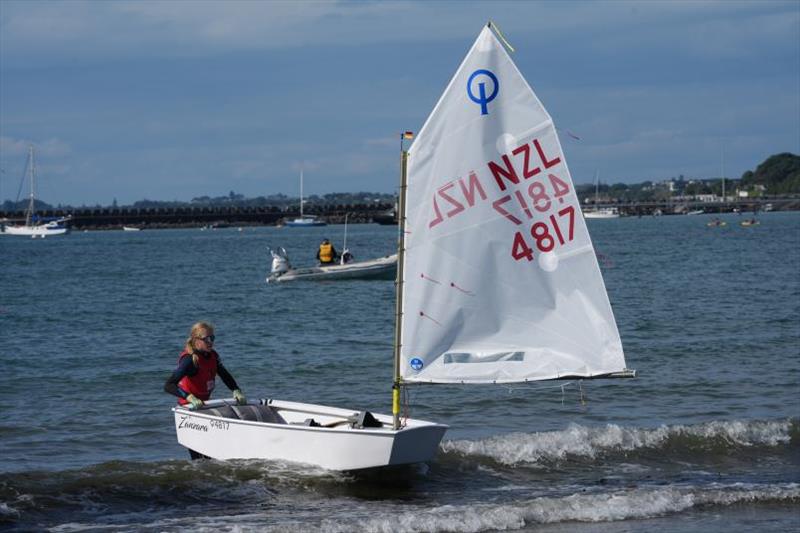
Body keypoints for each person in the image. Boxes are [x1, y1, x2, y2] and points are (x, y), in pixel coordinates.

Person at [164, 321, 246, 411]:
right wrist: (189, 397)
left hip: (204, 405)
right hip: (188, 407)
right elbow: (169, 385)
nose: (210, 342)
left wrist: (236, 390)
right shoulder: (189, 360)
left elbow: (224, 375)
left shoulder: (213, 356)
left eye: (212, 338)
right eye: (206, 339)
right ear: (196, 340)